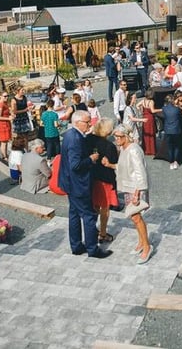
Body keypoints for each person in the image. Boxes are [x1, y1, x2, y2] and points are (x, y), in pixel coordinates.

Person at [58, 110, 112, 258]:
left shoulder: (69, 134)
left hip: (70, 183)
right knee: (89, 216)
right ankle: (92, 248)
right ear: (77, 122)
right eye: (87, 122)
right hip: (78, 184)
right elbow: (75, 165)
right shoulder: (75, 139)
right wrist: (91, 159)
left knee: (74, 214)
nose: (90, 124)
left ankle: (76, 246)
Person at [114, 124, 154, 264]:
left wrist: (137, 193)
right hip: (129, 187)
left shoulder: (134, 150)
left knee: (136, 217)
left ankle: (147, 246)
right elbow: (124, 167)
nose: (116, 139)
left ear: (126, 136)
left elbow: (140, 172)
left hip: (136, 188)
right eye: (115, 136)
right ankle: (142, 242)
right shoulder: (123, 148)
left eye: (119, 136)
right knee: (134, 217)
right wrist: (110, 165)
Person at [88, 118, 119, 243]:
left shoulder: (89, 140)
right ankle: (103, 233)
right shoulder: (109, 146)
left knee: (94, 206)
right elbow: (115, 162)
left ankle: (92, 230)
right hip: (106, 179)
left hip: (92, 178)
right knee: (105, 208)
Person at [160, 94, 182, 169]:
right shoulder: (177, 109)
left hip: (168, 130)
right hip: (176, 129)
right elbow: (181, 115)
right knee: (177, 146)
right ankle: (176, 161)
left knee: (170, 147)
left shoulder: (164, 108)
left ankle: (171, 162)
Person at [0, 91, 13, 162]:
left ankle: (5, 155)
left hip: (5, 124)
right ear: (0, 96)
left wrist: (10, 115)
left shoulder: (4, 103)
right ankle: (4, 157)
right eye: (5, 96)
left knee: (5, 141)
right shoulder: (1, 104)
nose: (7, 97)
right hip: (2, 125)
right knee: (4, 142)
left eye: (7, 96)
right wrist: (8, 118)